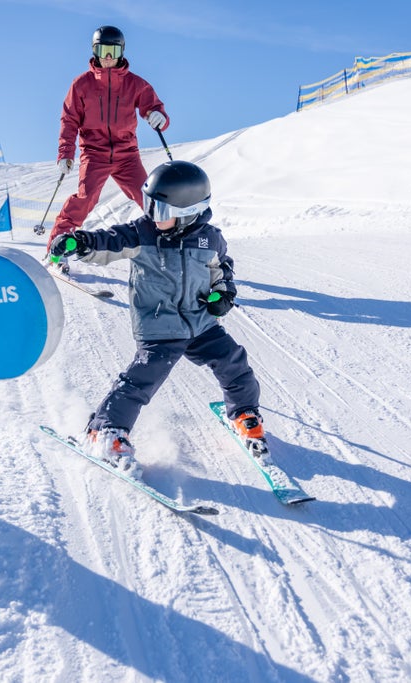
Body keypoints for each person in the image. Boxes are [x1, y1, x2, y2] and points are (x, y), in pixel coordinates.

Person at [49, 160, 265, 478]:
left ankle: (244, 413)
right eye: (149, 205)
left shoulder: (210, 239)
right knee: (141, 380)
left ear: (190, 211)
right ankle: (105, 431)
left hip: (200, 323)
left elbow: (222, 270)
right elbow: (106, 241)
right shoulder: (143, 232)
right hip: (159, 326)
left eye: (160, 210)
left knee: (235, 363)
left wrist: (222, 296)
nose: (152, 215)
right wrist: (78, 242)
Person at [47, 25, 170, 271]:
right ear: (95, 51)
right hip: (94, 153)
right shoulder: (81, 84)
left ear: (121, 51)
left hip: (127, 155)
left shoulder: (136, 84)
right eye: (103, 50)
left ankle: (172, 245)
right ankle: (56, 249)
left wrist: (158, 117)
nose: (108, 56)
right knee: (84, 198)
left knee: (148, 198)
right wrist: (65, 154)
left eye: (113, 50)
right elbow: (69, 120)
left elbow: (154, 108)